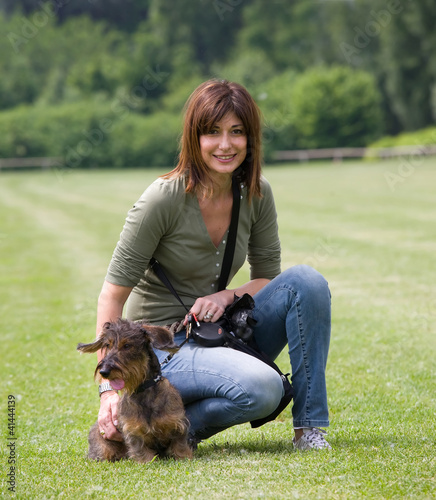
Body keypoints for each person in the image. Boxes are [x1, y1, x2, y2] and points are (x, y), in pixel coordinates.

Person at [95, 79, 331, 451]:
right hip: (161, 352)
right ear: (195, 138)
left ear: (250, 138)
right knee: (264, 387)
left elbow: (267, 280)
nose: (226, 144)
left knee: (307, 281)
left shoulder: (257, 193)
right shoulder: (162, 199)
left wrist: (225, 296)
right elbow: (111, 295)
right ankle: (157, 428)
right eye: (213, 132)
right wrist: (109, 390)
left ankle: (310, 430)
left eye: (237, 132)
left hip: (218, 334)